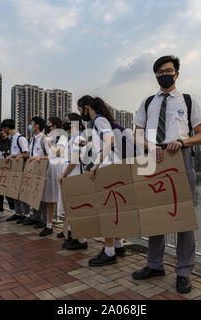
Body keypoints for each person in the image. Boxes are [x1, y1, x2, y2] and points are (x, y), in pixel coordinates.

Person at [131, 55, 201, 294]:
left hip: (180, 158)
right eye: (161, 72)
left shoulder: (188, 100)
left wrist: (183, 141)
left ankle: (183, 271)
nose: (165, 74)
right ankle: (154, 264)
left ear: (177, 73)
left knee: (183, 218)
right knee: (154, 215)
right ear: (155, 75)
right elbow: (136, 134)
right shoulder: (147, 103)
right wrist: (149, 145)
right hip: (152, 159)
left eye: (169, 70)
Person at [77, 95, 126, 267]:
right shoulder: (101, 121)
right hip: (111, 166)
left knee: (106, 210)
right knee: (112, 208)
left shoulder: (98, 120)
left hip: (106, 168)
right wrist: (89, 144)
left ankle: (109, 251)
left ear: (87, 107)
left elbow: (109, 140)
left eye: (80, 109)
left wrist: (96, 165)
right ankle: (118, 245)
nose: (80, 113)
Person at [58, 113, 89, 250]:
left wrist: (63, 175)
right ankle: (72, 236)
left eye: (67, 121)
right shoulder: (72, 138)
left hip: (74, 175)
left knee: (76, 209)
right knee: (70, 208)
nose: (65, 123)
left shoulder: (78, 138)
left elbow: (75, 160)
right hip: (70, 175)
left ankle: (81, 240)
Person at [35, 117, 67, 237]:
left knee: (62, 199)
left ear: (55, 126)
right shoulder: (49, 137)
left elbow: (58, 152)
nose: (48, 127)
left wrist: (49, 143)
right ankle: (48, 226)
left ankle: (66, 228)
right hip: (49, 168)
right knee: (49, 198)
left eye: (50, 125)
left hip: (59, 168)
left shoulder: (62, 138)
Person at [1, 119, 30, 222]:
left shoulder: (21, 139)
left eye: (4, 129)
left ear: (7, 128)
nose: (4, 131)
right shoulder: (13, 139)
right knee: (14, 192)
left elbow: (27, 154)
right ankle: (18, 213)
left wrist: (14, 155)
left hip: (21, 168)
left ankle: (26, 214)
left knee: (22, 192)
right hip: (13, 168)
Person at [21, 116, 48, 228]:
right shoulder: (31, 139)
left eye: (32, 123)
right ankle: (35, 216)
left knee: (43, 195)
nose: (30, 126)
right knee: (34, 193)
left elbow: (49, 155)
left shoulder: (44, 139)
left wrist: (39, 158)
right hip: (32, 169)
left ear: (37, 125)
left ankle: (44, 219)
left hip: (41, 169)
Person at [0, 126, 15, 219]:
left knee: (9, 192)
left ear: (6, 132)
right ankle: (0, 210)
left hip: (8, 171)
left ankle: (13, 209)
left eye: (2, 131)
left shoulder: (11, 143)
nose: (1, 133)